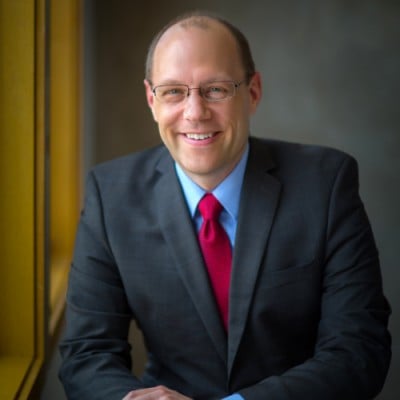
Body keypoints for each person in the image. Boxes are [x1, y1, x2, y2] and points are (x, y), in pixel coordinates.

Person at [59, 11, 391, 400]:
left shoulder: (325, 184)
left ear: (253, 92)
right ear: (152, 100)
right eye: (173, 91)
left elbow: (358, 351)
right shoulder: (110, 196)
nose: (195, 112)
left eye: (216, 89)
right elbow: (87, 353)